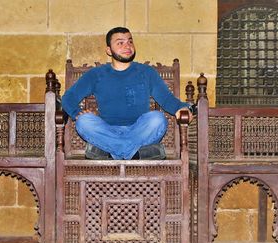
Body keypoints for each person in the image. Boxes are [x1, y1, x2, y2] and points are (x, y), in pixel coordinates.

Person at [61, 27, 192, 160]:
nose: (127, 46)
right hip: (106, 131)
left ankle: (111, 152)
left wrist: (180, 107)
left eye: (130, 41)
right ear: (108, 50)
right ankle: (135, 153)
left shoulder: (147, 72)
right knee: (84, 121)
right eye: (120, 43)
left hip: (139, 131)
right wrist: (76, 112)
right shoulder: (96, 74)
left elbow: (166, 98)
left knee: (158, 119)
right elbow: (68, 97)